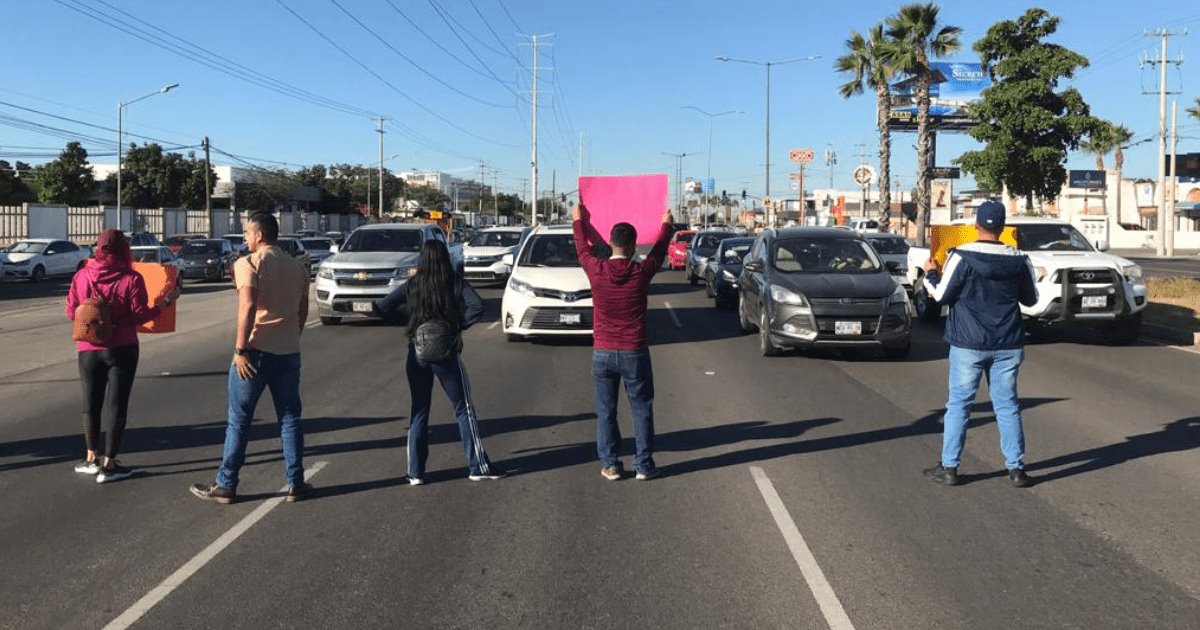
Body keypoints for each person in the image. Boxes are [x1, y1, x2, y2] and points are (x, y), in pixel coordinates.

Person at [191, 212, 311, 504]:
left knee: (239, 420)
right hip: (288, 351)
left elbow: (246, 307)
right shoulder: (297, 267)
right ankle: (296, 482)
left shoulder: (248, 263)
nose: (245, 238)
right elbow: (302, 309)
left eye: (246, 233)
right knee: (290, 418)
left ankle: (226, 483)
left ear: (259, 235)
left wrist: (240, 350)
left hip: (255, 353)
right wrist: (291, 335)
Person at [921, 200, 1039, 488]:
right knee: (1008, 405)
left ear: (976, 226)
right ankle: (1016, 469)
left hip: (968, 342)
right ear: (1003, 228)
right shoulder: (1020, 259)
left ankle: (949, 467)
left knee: (959, 405)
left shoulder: (962, 257)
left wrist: (931, 273)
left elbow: (941, 295)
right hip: (1008, 342)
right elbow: (1031, 299)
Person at [373, 239, 503, 485]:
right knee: (463, 407)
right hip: (446, 351)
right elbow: (476, 306)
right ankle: (477, 467)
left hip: (417, 350)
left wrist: (410, 323)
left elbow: (382, 307)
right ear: (445, 258)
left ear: (422, 259)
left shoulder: (414, 284)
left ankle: (415, 472)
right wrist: (456, 326)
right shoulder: (453, 281)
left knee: (419, 410)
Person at [67, 229, 180, 483]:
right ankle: (110, 465)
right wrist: (165, 302)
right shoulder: (131, 278)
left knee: (90, 404)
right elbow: (139, 316)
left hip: (88, 350)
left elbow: (71, 311)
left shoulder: (82, 275)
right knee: (117, 406)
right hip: (123, 348)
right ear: (123, 250)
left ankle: (90, 458)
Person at [572, 203, 674, 481]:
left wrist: (578, 221)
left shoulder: (597, 270)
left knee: (606, 411)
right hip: (634, 351)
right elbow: (660, 249)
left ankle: (611, 464)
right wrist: (666, 224)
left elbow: (582, 248)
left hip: (602, 351)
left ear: (612, 243)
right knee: (641, 409)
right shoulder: (641, 273)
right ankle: (643, 464)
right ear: (632, 247)